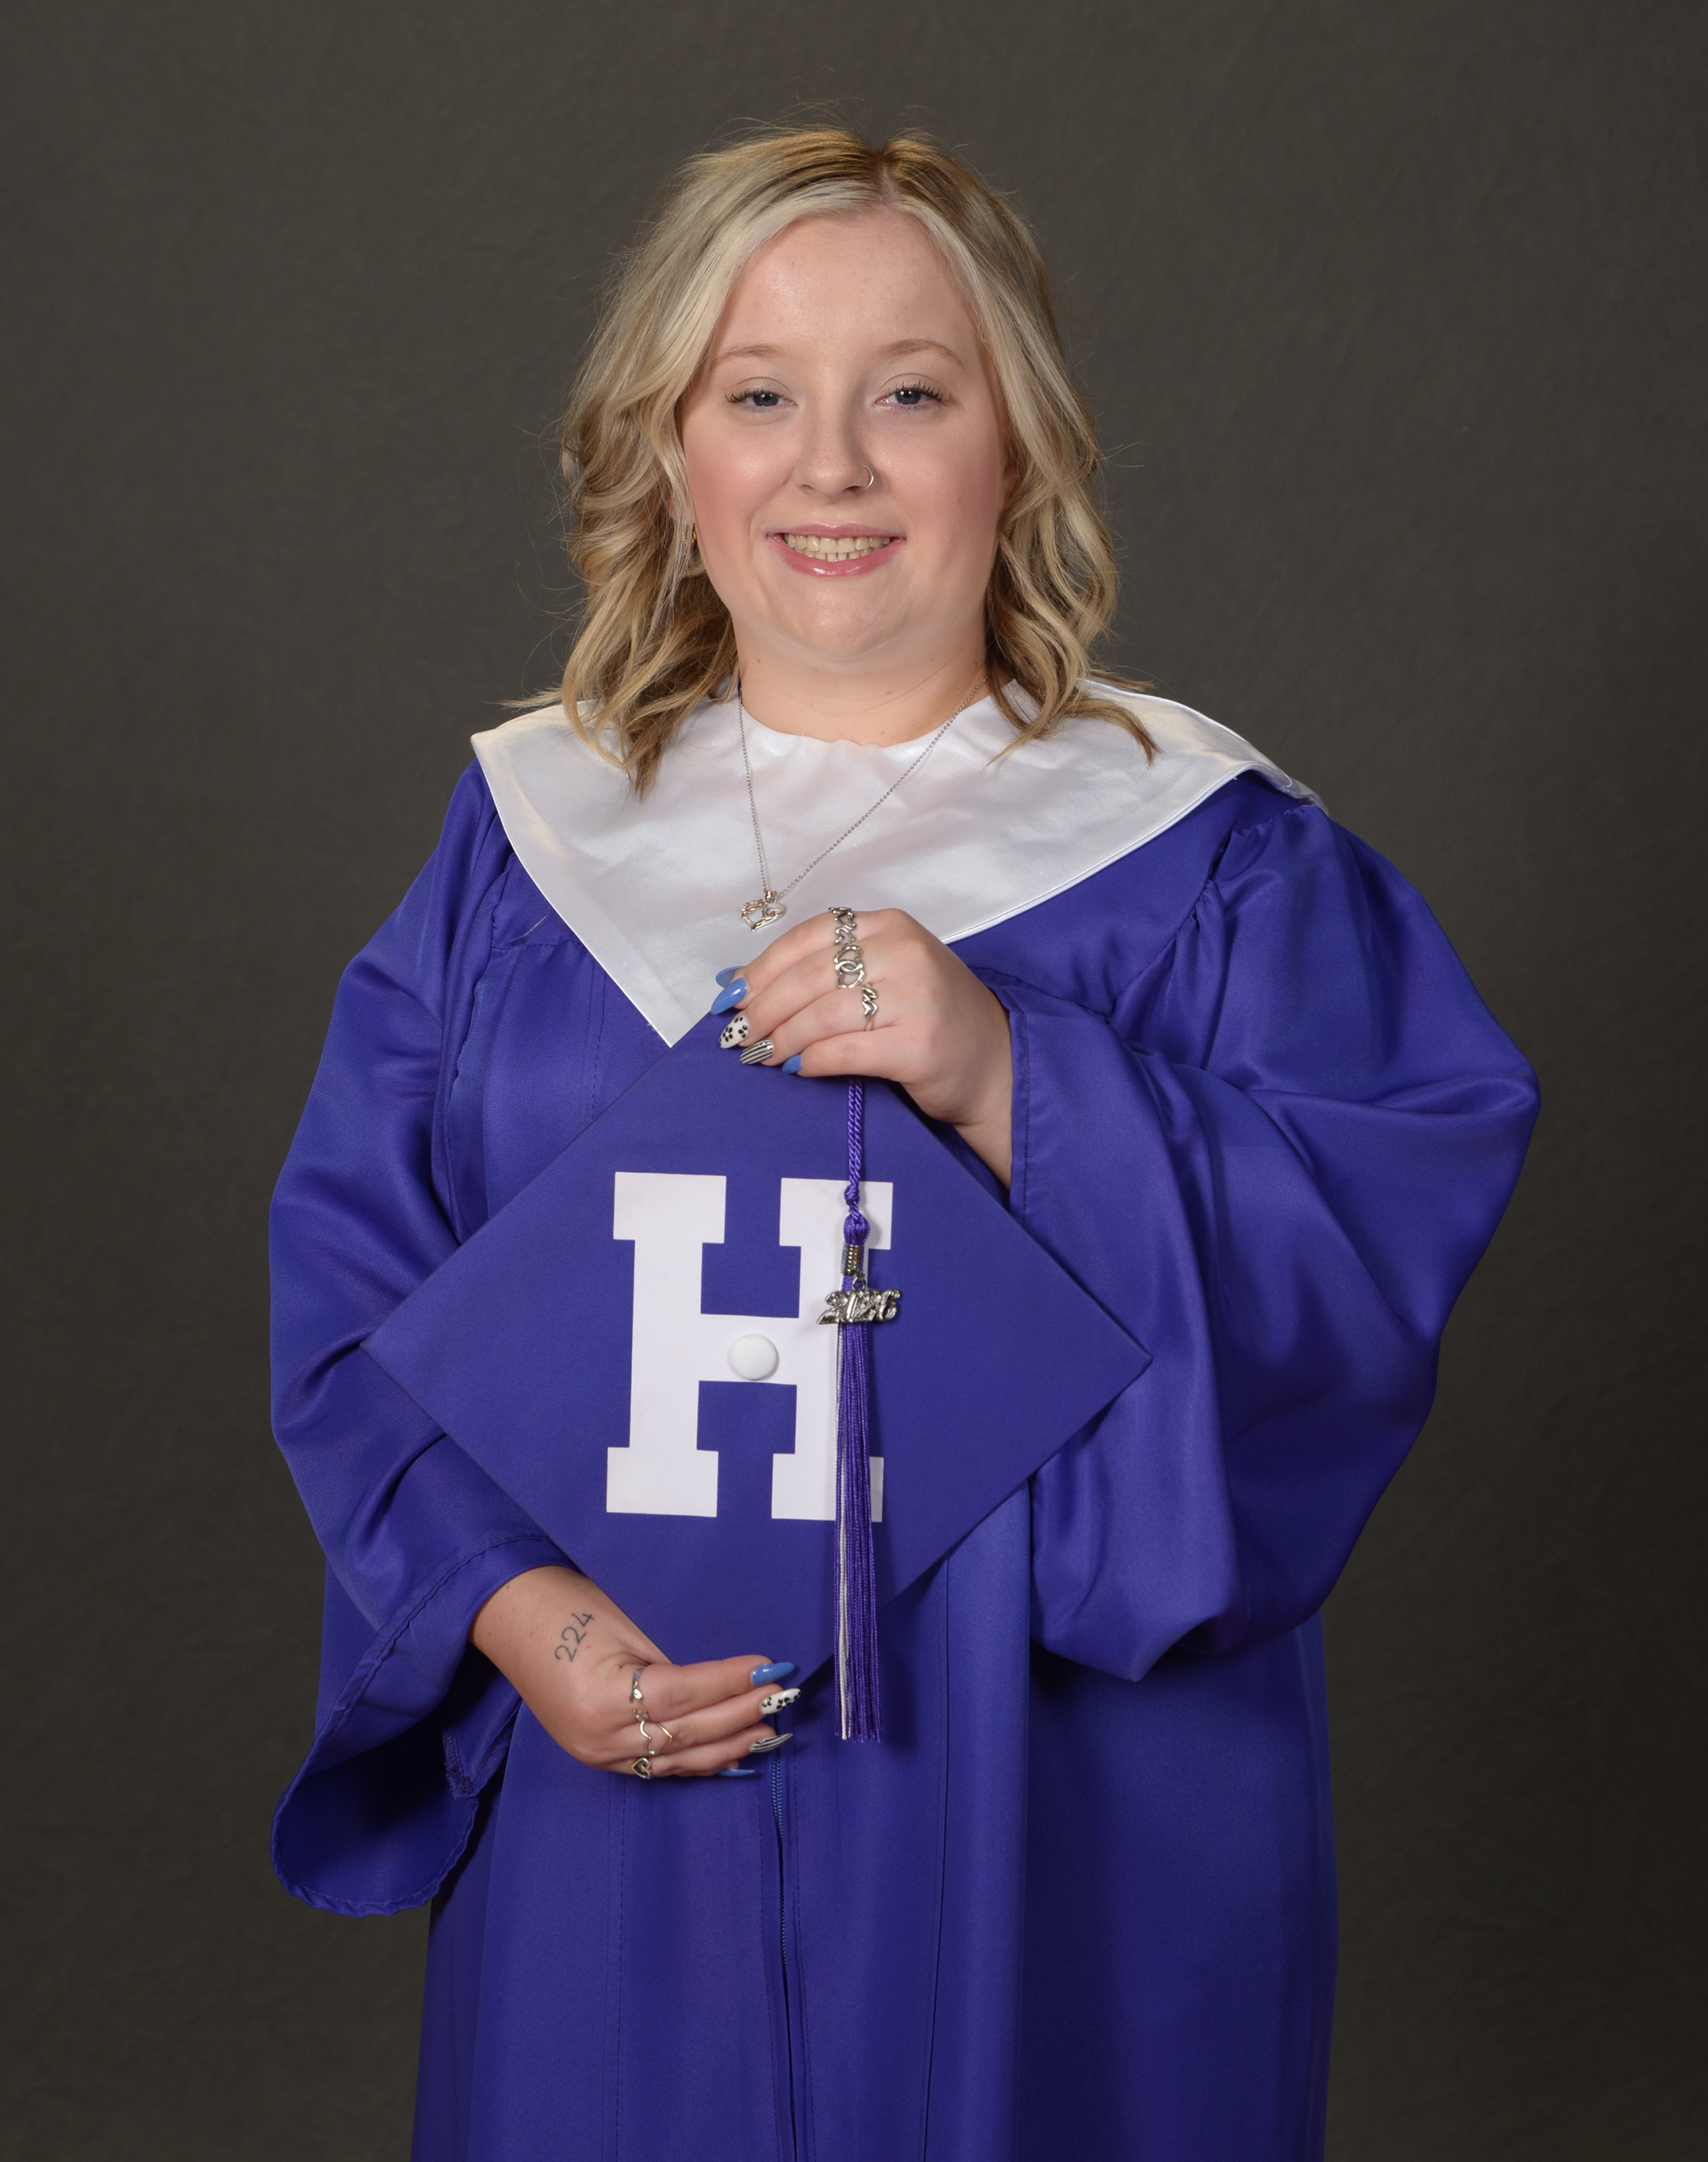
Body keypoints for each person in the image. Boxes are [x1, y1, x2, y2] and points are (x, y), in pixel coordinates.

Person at [269, 128, 1539, 2162]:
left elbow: (1358, 1256)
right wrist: (514, 1611)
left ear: (1015, 450)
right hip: (627, 1778)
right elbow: (359, 1283)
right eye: (761, 396)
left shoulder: (1210, 859)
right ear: (672, 453)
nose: (833, 468)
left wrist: (1023, 1075)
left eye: (915, 395)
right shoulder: (523, 851)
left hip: (1058, 1809)